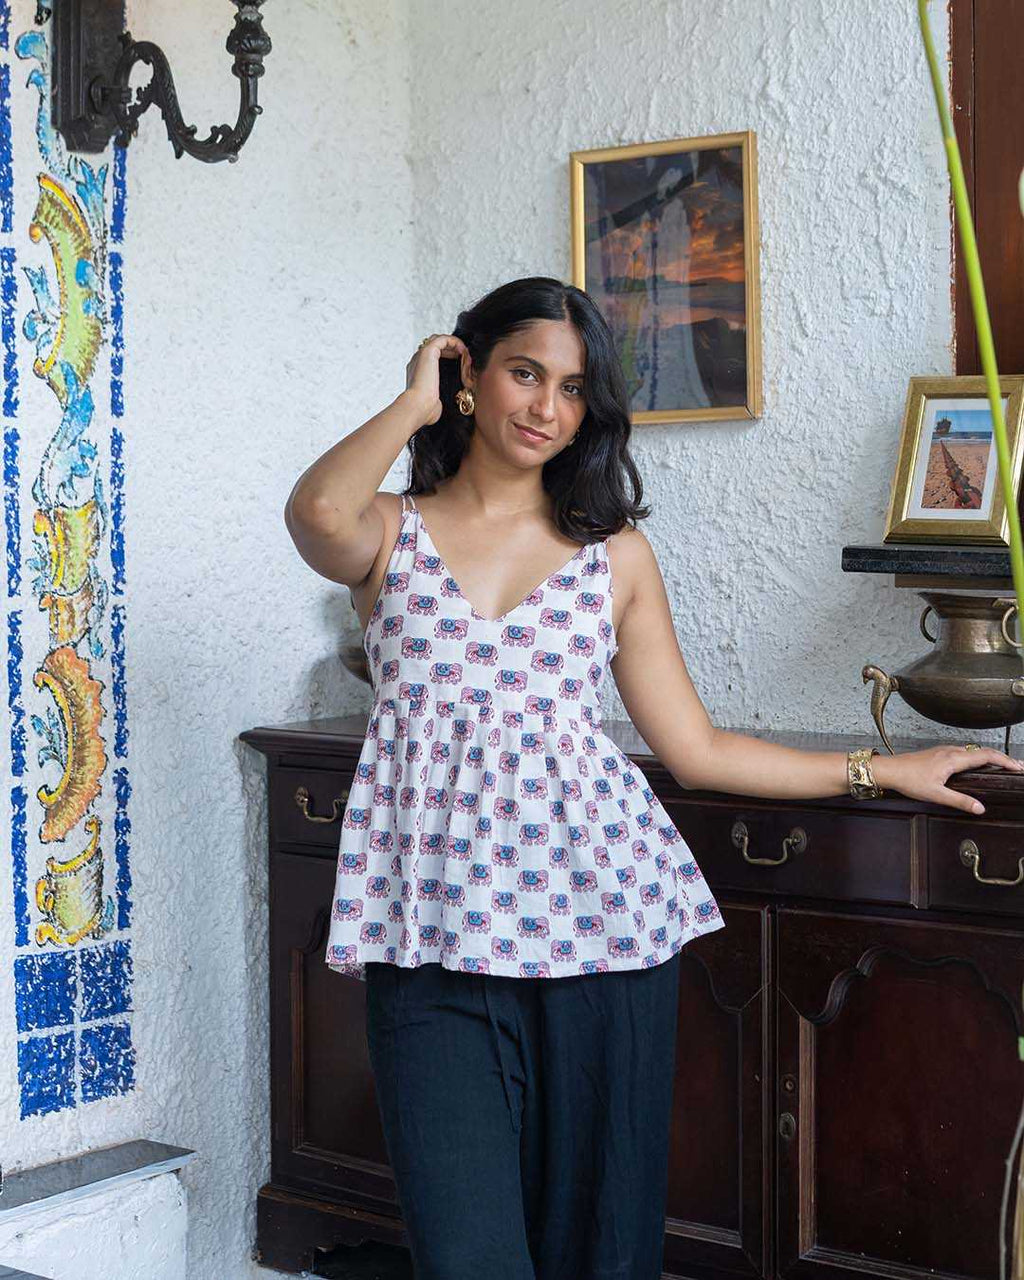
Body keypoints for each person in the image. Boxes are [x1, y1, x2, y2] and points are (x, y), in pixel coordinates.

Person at [283, 275, 1023, 1280]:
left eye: (574, 387)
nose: (547, 406)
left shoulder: (614, 556)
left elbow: (696, 750)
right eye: (523, 373)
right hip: (433, 939)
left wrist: (880, 764)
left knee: (599, 1246)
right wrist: (413, 400)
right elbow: (314, 509)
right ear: (469, 374)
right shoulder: (387, 532)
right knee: (465, 1252)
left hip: (601, 930)